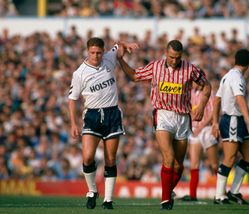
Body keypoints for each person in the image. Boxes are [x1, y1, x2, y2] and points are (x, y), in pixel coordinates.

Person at [117, 40, 212, 210]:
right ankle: (166, 200)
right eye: (171, 57)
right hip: (163, 115)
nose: (174, 61)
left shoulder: (190, 69)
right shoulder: (155, 67)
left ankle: (168, 191)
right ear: (165, 53)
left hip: (183, 117)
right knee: (168, 157)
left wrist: (203, 106)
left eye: (177, 58)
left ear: (181, 56)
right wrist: (120, 60)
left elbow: (207, 86)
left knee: (178, 164)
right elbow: (133, 75)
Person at [68, 37, 137, 210]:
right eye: (92, 53)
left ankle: (108, 199)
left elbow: (118, 45)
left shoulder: (109, 57)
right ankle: (92, 191)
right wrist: (73, 123)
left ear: (103, 51)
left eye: (99, 52)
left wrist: (126, 44)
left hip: (112, 113)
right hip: (92, 115)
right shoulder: (80, 73)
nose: (96, 56)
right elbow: (72, 99)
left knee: (111, 158)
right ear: (87, 51)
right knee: (88, 157)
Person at [211, 49, 249, 205]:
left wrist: (215, 122)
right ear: (248, 64)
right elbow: (240, 99)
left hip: (236, 120)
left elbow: (216, 100)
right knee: (229, 158)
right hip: (233, 120)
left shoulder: (227, 76)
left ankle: (234, 192)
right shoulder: (237, 77)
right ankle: (219, 195)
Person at [181, 83, 219, 202]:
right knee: (194, 165)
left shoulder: (209, 93)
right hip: (195, 131)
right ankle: (192, 194)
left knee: (214, 165)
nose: (192, 83)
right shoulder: (191, 94)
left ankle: (221, 193)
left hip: (206, 129)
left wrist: (202, 126)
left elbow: (214, 112)